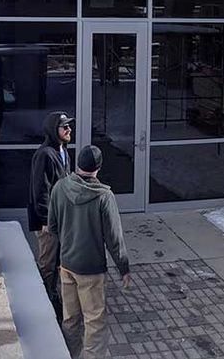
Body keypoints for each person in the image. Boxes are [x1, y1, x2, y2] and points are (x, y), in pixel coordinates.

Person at [50, 145, 130, 358]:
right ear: (99, 167)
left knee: (70, 318)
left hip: (67, 265)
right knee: (94, 321)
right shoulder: (104, 196)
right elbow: (114, 237)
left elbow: (53, 226)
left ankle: (69, 354)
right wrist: (124, 267)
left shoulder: (59, 187)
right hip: (91, 270)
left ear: (78, 164)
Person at [29, 111, 74, 317]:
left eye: (69, 126)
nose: (69, 130)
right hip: (48, 222)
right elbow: (40, 191)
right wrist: (46, 220)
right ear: (53, 130)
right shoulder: (45, 154)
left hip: (62, 218)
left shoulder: (64, 152)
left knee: (59, 261)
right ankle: (44, 303)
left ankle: (54, 296)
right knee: (47, 262)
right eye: (64, 127)